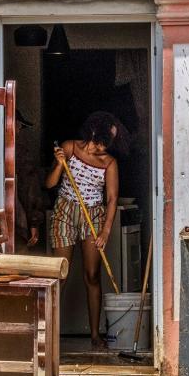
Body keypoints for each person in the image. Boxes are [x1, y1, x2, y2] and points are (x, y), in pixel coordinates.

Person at [45, 112, 126, 349]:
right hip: (65, 212)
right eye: (103, 140)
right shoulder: (69, 148)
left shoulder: (109, 163)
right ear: (93, 132)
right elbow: (49, 184)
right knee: (59, 274)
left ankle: (94, 335)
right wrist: (60, 165)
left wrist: (105, 232)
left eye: (109, 143)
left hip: (94, 216)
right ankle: (48, 333)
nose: (104, 147)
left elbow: (112, 199)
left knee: (92, 275)